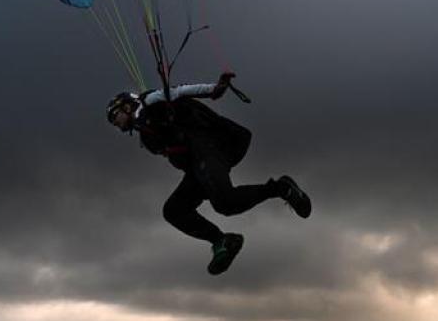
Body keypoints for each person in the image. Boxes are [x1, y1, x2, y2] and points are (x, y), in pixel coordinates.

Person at [106, 72, 311, 275]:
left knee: (225, 202)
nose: (115, 123)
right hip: (198, 163)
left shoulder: (150, 101)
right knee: (174, 210)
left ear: (126, 105)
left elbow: (181, 91)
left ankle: (282, 188)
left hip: (214, 143)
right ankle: (222, 241)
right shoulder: (146, 137)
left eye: (115, 116)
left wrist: (214, 89)